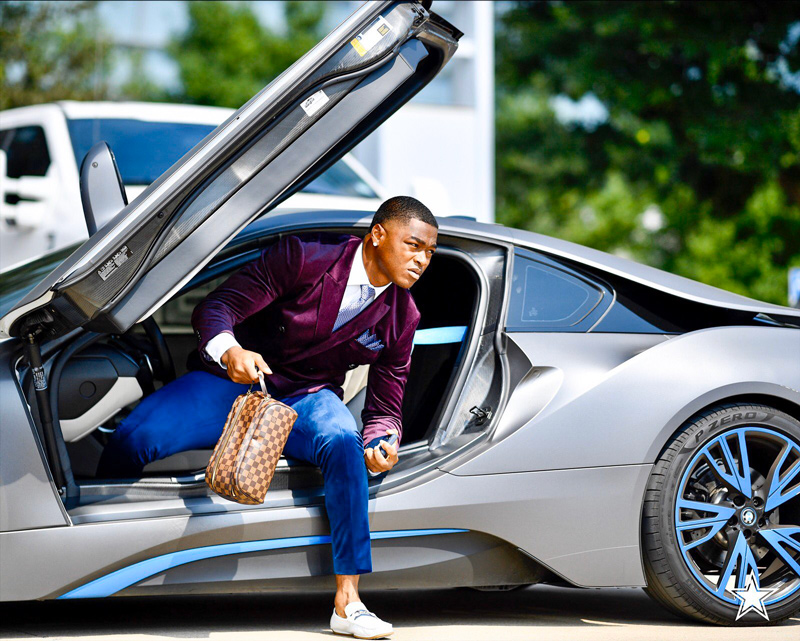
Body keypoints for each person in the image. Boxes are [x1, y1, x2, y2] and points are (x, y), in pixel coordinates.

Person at [96, 195, 439, 639]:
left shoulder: (403, 316)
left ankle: (348, 602)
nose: (422, 260)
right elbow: (215, 309)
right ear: (377, 235)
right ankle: (99, 558)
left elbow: (385, 407)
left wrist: (381, 441)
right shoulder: (303, 258)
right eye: (413, 245)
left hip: (307, 397)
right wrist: (230, 350)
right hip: (234, 383)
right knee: (136, 435)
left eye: (429, 252)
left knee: (344, 441)